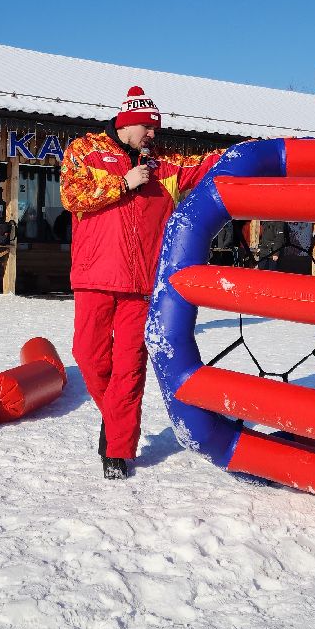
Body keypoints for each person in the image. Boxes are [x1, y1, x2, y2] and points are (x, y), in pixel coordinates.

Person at [60, 85, 222, 480]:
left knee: (130, 366)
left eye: (155, 129)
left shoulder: (164, 167)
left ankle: (117, 450)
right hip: (95, 278)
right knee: (88, 356)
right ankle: (115, 418)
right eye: (148, 128)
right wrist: (124, 182)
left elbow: (208, 163)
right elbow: (71, 195)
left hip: (143, 286)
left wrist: (262, 149)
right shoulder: (85, 150)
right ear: (128, 123)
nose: (153, 135)